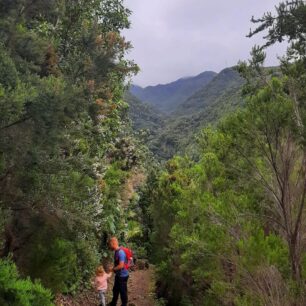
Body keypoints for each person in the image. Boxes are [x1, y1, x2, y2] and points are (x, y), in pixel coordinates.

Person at [108, 237, 129, 306]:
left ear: (113, 243)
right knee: (115, 290)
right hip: (118, 275)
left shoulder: (120, 252)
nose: (109, 246)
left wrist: (113, 269)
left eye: (109, 245)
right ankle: (113, 303)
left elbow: (121, 265)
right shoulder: (116, 251)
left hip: (123, 276)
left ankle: (124, 304)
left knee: (123, 291)